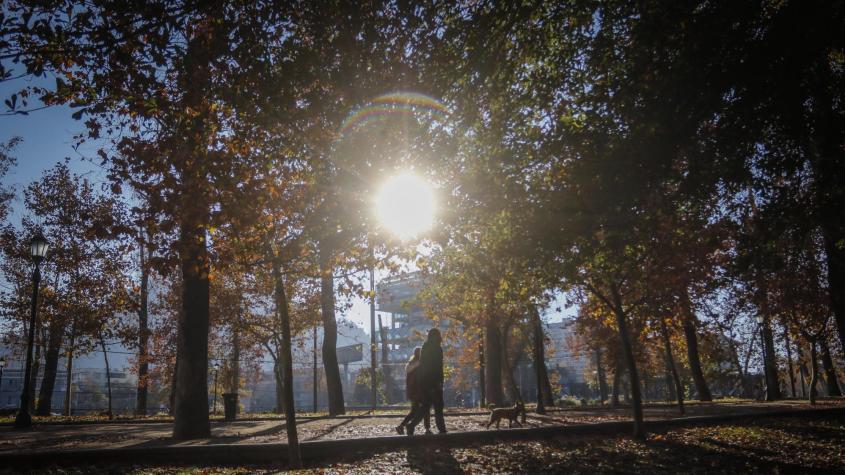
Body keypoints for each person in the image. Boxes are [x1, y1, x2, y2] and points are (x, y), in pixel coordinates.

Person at [407, 328, 447, 435]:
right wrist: (439, 382)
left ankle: (411, 426)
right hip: (433, 382)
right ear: (437, 336)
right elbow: (438, 367)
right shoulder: (437, 348)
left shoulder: (425, 347)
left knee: (425, 406)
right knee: (438, 406)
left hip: (424, 382)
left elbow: (424, 365)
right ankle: (442, 429)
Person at [395, 347, 430, 435]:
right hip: (421, 391)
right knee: (425, 409)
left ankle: (401, 426)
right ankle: (427, 428)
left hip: (412, 392)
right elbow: (422, 379)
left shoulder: (410, 364)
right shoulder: (422, 365)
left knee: (414, 411)